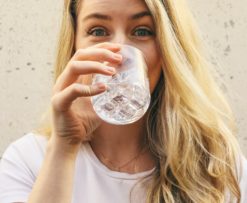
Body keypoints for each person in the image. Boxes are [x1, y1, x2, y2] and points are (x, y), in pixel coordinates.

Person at [0, 0, 246, 202]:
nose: (119, 53)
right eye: (98, 31)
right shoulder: (29, 160)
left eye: (142, 31)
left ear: (169, 51)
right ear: (74, 45)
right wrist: (64, 148)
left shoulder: (217, 163)